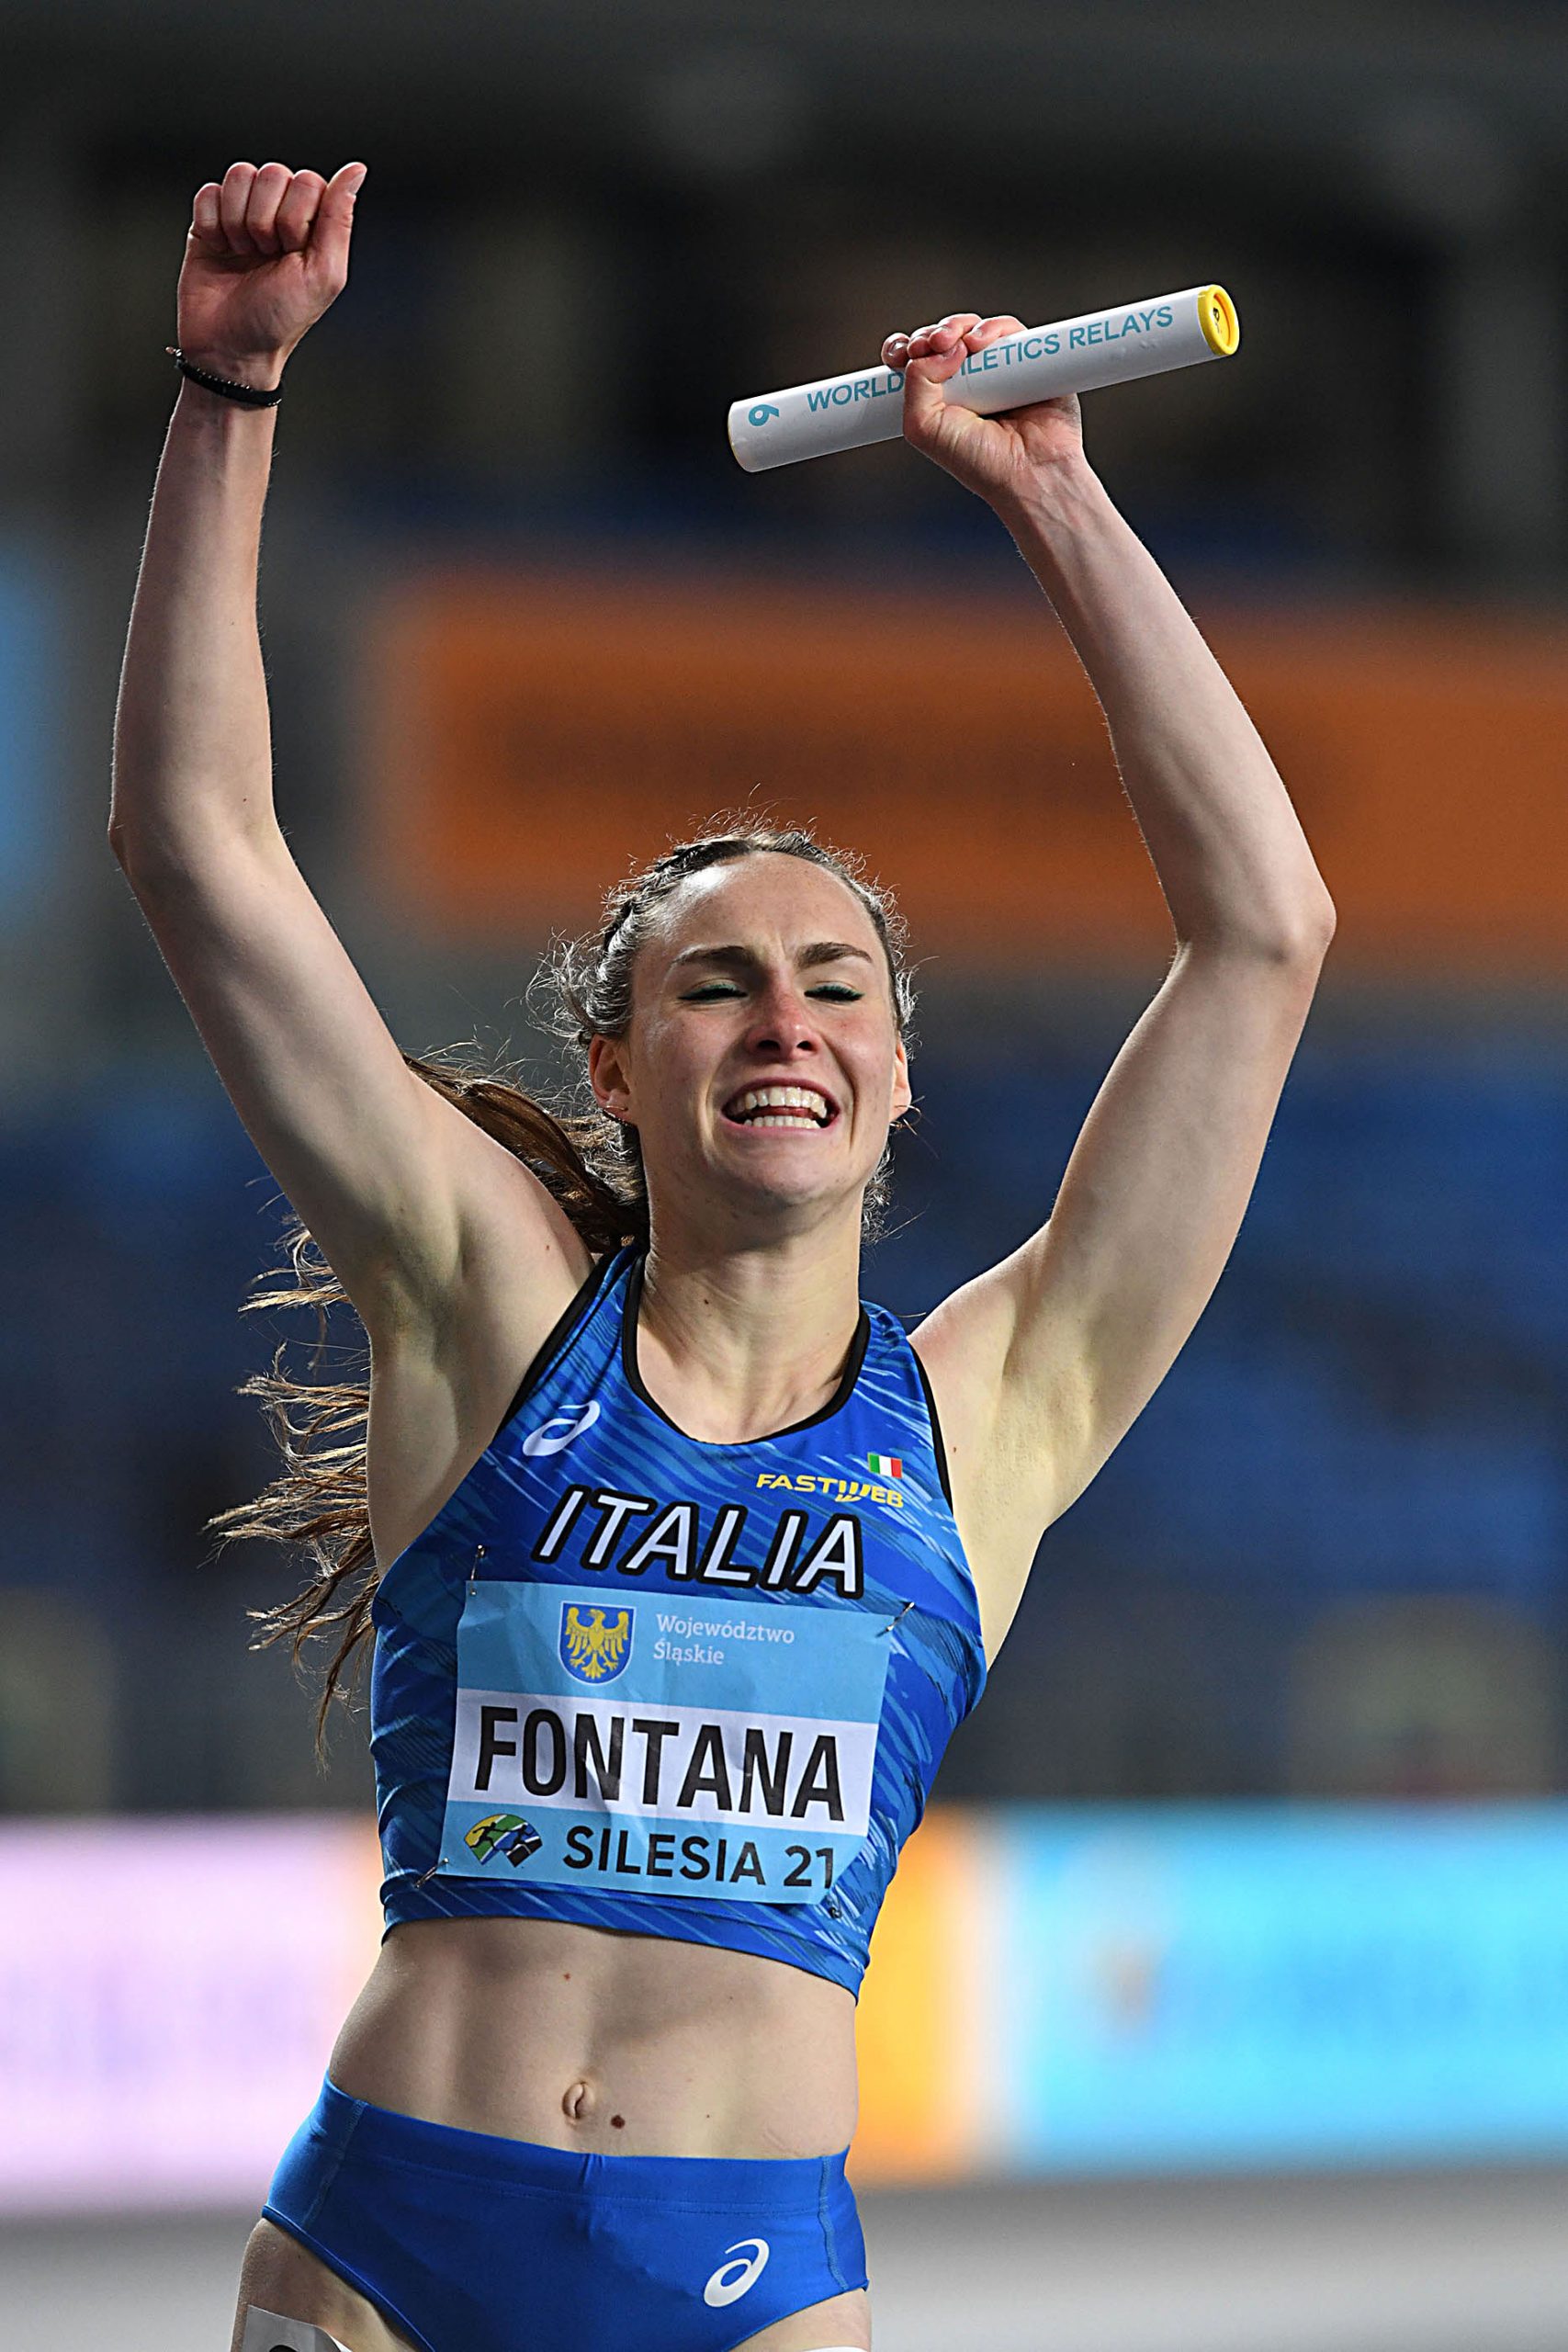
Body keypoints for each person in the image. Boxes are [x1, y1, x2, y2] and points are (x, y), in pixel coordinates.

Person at [110, 159, 1335, 2352]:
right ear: (614, 1061)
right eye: (716, 982)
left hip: (744, 2279)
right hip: (384, 2253)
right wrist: (229, 390)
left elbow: (1263, 933)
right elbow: (197, 845)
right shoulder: (484, 1305)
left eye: (835, 983)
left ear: (894, 1072)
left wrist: (1052, 499)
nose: (784, 1018)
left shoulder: (991, 1411)